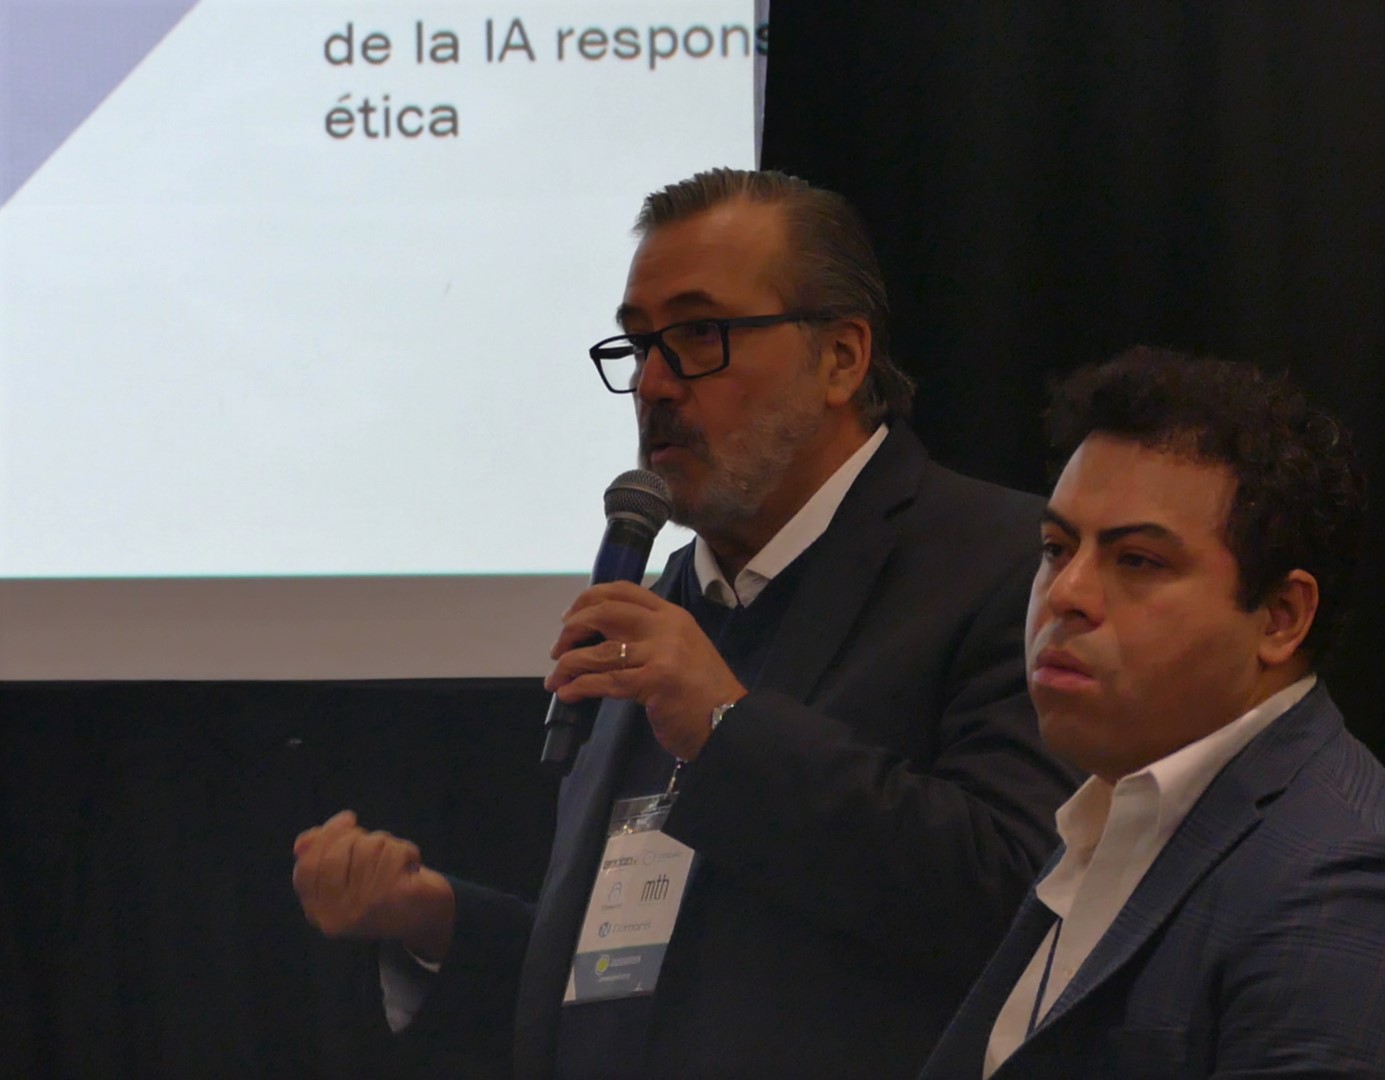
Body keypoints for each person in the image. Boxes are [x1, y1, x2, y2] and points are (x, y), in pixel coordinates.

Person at [292, 168, 1077, 1079]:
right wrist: (435, 921)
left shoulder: (1005, 566)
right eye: (637, 345)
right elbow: (630, 975)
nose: (654, 382)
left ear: (841, 358)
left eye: (699, 335)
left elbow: (1019, 902)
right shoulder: (659, 601)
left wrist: (727, 728)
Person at [920, 348, 1385, 1079]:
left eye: (1137, 560)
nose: (1065, 593)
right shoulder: (1120, 813)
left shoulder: (1355, 890)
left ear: (1280, 617)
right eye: (1055, 547)